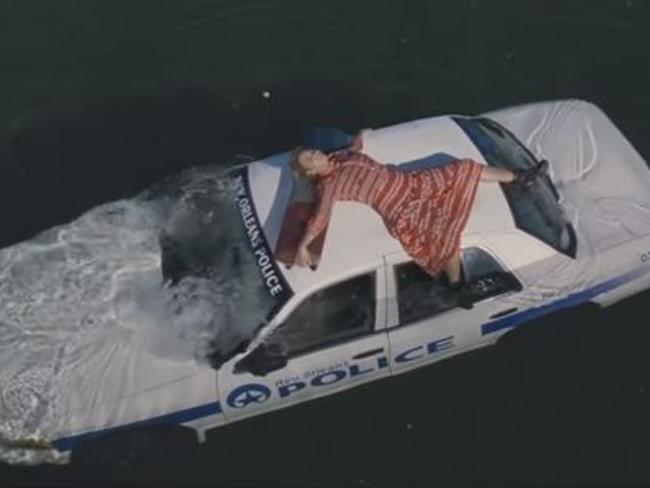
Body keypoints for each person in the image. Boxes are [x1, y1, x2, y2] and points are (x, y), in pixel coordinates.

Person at [290, 129, 547, 309]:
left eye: (312, 151)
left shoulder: (340, 156)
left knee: (464, 168)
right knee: (446, 239)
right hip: (402, 207)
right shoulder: (329, 186)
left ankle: (520, 178)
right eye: (311, 157)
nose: (316, 152)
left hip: (413, 183)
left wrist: (360, 136)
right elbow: (320, 217)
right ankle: (457, 287)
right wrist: (303, 245)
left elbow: (355, 149)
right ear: (311, 172)